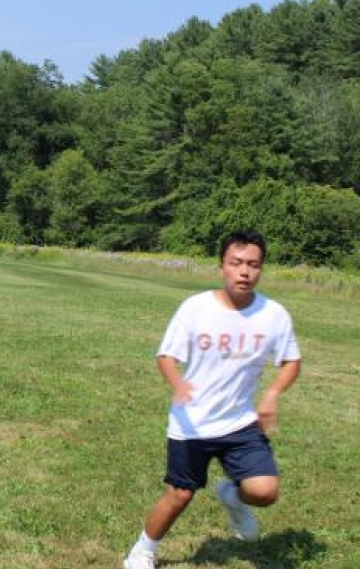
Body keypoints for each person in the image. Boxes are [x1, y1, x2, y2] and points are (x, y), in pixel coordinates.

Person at [123, 230, 302, 569]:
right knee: (180, 495)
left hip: (240, 422)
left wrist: (272, 394)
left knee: (265, 491)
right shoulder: (195, 308)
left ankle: (231, 496)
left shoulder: (273, 314)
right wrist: (178, 384)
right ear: (222, 266)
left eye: (253, 265)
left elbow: (291, 361)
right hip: (192, 422)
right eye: (236, 263)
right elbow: (166, 356)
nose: (244, 272)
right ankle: (143, 551)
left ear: (261, 270)